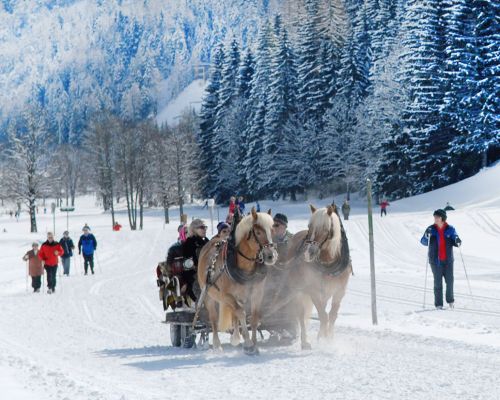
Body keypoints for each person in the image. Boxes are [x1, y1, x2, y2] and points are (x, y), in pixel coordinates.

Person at [420, 209, 462, 309]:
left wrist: (457, 240)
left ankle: (450, 301)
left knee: (450, 281)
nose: (435, 218)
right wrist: (426, 236)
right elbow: (423, 242)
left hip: (448, 261)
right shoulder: (430, 229)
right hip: (435, 261)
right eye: (434, 217)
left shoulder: (450, 229)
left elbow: (455, 239)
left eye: (437, 217)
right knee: (437, 283)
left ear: (442, 218)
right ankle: (438, 304)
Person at [181, 219, 210, 303]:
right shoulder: (189, 243)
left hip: (209, 272)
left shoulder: (207, 241)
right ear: (194, 229)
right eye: (201, 227)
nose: (204, 229)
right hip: (195, 276)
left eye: (205, 227)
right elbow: (188, 265)